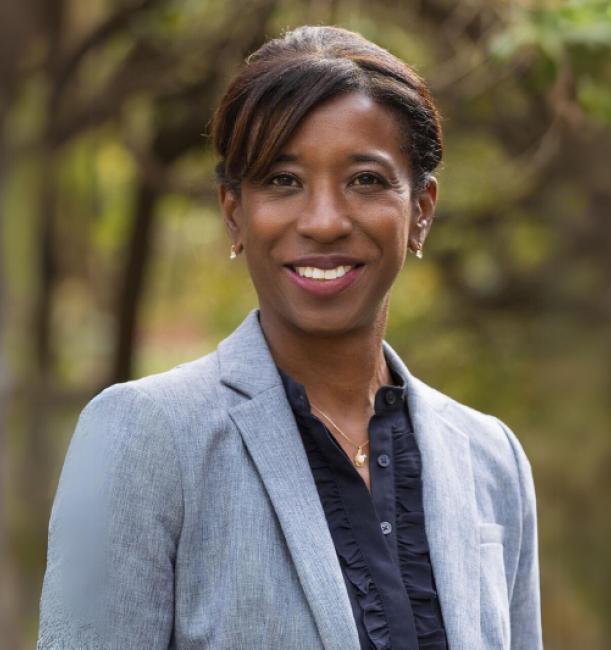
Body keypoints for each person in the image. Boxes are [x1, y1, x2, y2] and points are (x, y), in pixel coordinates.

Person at [38, 25, 542, 650]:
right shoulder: (145, 436)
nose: (325, 221)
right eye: (282, 180)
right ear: (233, 211)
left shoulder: (492, 460)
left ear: (421, 210)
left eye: (365, 180)